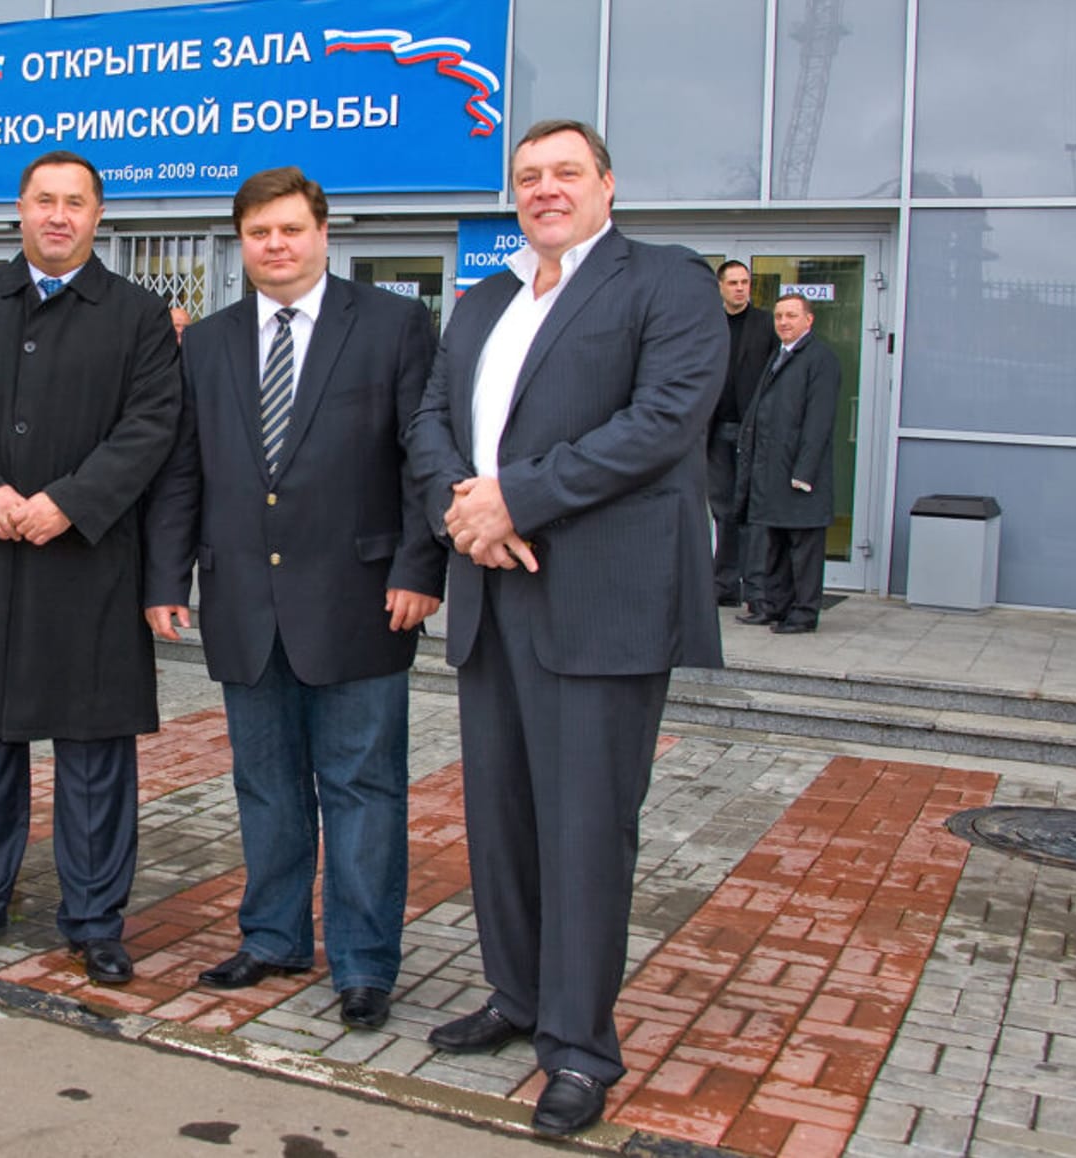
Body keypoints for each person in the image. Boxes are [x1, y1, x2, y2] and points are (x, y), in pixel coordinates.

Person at [403, 120, 725, 1137]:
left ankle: (579, 1048)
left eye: (565, 173)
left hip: (600, 602)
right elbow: (428, 421)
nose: (545, 189)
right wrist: (464, 508)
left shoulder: (664, 281)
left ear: (606, 184)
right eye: (528, 176)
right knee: (500, 820)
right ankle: (516, 996)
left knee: (584, 829)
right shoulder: (486, 299)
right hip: (491, 588)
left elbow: (661, 421)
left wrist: (516, 498)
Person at [143, 168, 444, 1030]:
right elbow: (183, 470)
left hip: (363, 600)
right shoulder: (207, 343)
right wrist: (165, 579)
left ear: (322, 233)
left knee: (363, 790)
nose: (275, 245)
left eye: (290, 229)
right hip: (243, 600)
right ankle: (274, 937)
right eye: (258, 233)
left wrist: (422, 566)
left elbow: (423, 455)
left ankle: (364, 963)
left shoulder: (392, 325)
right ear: (241, 243)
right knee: (266, 787)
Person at [0, 150, 181, 987]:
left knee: (94, 756)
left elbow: (151, 426)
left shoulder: (138, 316)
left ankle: (94, 921)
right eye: (44, 200)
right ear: (19, 208)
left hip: (87, 564)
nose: (59, 216)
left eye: (75, 202)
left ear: (99, 216)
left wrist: (69, 501)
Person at [733, 293, 840, 634]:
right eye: (779, 316)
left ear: (809, 319)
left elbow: (819, 422)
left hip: (799, 475)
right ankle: (776, 607)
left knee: (804, 549)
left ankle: (804, 613)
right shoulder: (779, 355)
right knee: (776, 544)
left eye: (791, 316)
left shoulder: (820, 359)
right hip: (771, 471)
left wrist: (804, 472)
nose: (783, 322)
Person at [708, 261, 777, 607]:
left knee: (750, 511)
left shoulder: (765, 324)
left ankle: (755, 587)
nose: (740, 288)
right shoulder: (709, 325)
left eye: (745, 282)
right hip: (717, 431)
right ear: (720, 287)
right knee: (723, 511)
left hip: (753, 432)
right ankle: (724, 586)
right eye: (733, 282)